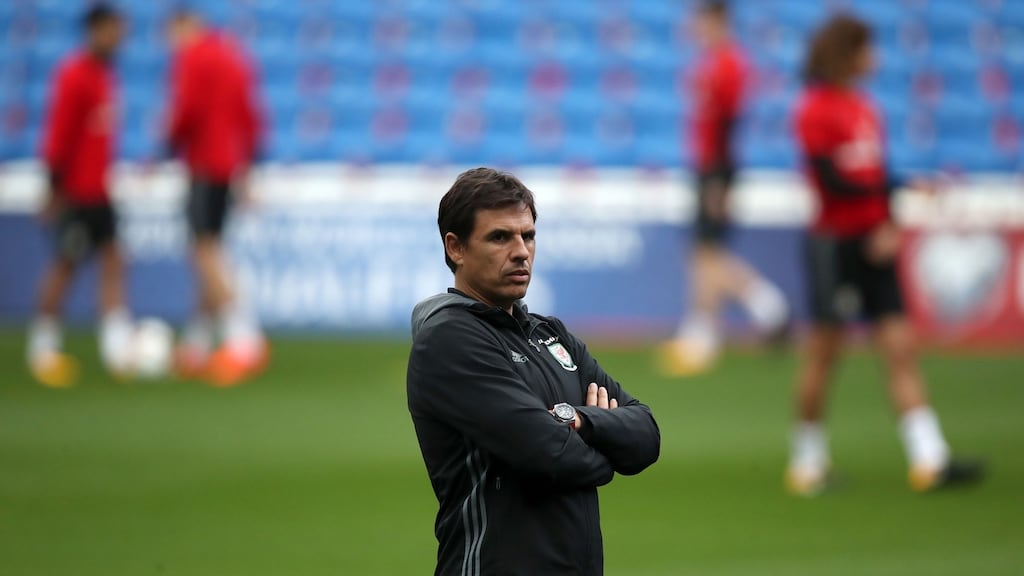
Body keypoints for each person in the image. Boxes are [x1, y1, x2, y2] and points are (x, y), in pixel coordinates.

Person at [407, 168, 661, 575]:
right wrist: (604, 447)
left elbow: (647, 435)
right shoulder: (449, 340)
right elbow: (551, 454)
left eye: (528, 235)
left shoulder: (550, 335)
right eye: (500, 237)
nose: (521, 250)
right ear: (455, 248)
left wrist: (577, 419)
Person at [788, 15, 982, 495]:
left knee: (900, 348)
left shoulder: (864, 108)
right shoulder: (814, 109)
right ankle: (807, 463)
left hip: (875, 242)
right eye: (867, 49)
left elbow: (875, 176)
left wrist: (890, 223)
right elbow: (833, 180)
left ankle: (929, 459)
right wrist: (894, 187)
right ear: (846, 52)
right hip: (835, 245)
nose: (875, 58)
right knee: (824, 355)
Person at [661, 0, 790, 376]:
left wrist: (718, 180)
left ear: (717, 21)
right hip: (708, 167)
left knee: (706, 252)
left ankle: (762, 306)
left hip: (716, 169)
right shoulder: (709, 65)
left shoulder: (729, 65)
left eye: (701, 22)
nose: (696, 29)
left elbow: (728, 124)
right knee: (703, 251)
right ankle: (704, 331)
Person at [28, 4, 133, 388]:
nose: (121, 37)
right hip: (75, 191)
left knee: (114, 261)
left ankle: (116, 347)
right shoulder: (74, 75)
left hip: (100, 190)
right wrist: (53, 189)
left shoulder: (106, 76)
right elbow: (59, 135)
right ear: (97, 29)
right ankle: (43, 347)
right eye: (115, 30)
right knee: (65, 265)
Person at [165, 9, 267, 387]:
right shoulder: (232, 55)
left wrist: (167, 141)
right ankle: (196, 345)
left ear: (182, 25)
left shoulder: (191, 56)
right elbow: (250, 116)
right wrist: (247, 165)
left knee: (204, 250)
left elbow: (185, 111)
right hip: (229, 163)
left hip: (204, 163)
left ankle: (245, 340)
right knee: (211, 248)